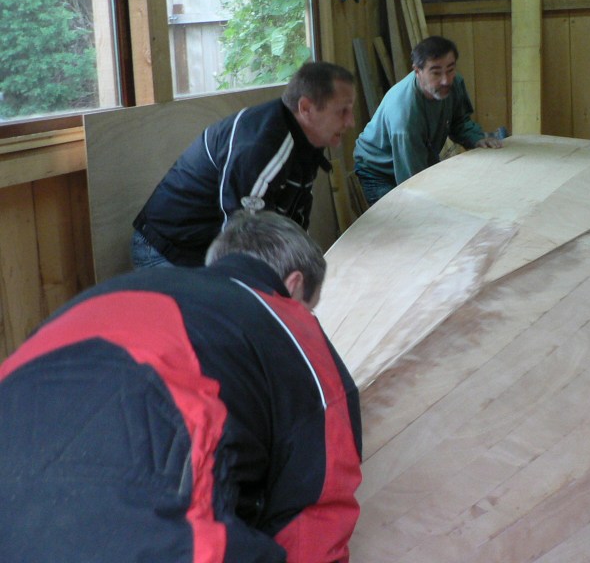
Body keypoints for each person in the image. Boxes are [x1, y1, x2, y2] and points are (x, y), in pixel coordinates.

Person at [0, 211, 361, 563]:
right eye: (309, 307)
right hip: (145, 531)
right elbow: (319, 504)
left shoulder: (108, 295)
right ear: (293, 286)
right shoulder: (287, 322)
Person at [132, 61, 356, 268]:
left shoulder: (305, 142)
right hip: (168, 251)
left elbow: (293, 225)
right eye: (342, 111)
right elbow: (242, 241)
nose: (351, 122)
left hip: (209, 250)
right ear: (306, 108)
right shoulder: (259, 146)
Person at [353, 35, 503, 205]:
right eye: (436, 73)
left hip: (417, 157)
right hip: (379, 169)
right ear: (417, 71)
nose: (446, 80)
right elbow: (411, 180)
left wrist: (477, 138)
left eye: (450, 69)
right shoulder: (405, 113)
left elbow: (459, 123)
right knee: (406, 213)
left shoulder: (454, 84)